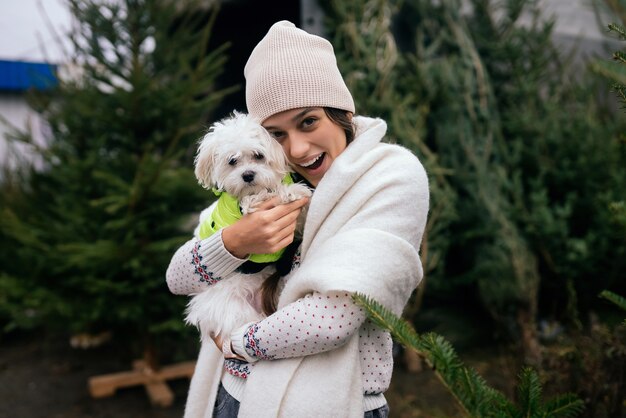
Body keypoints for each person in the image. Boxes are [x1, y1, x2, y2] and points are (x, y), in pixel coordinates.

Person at [166, 20, 429, 418]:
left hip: (330, 402)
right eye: (277, 135)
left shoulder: (391, 177)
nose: (299, 148)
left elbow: (333, 318)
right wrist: (235, 243)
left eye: (308, 122)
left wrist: (237, 344)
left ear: (341, 112)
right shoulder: (265, 186)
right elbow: (177, 277)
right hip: (237, 396)